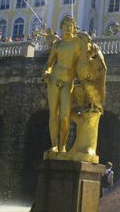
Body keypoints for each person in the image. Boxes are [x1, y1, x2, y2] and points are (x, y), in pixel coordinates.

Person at [43, 16, 83, 153]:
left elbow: (84, 61)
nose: (67, 28)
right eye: (65, 25)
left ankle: (63, 145)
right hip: (54, 80)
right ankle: (54, 145)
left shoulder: (78, 43)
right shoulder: (57, 45)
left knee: (65, 116)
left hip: (68, 82)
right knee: (53, 113)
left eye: (70, 25)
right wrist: (47, 72)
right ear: (61, 27)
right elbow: (49, 63)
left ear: (74, 28)